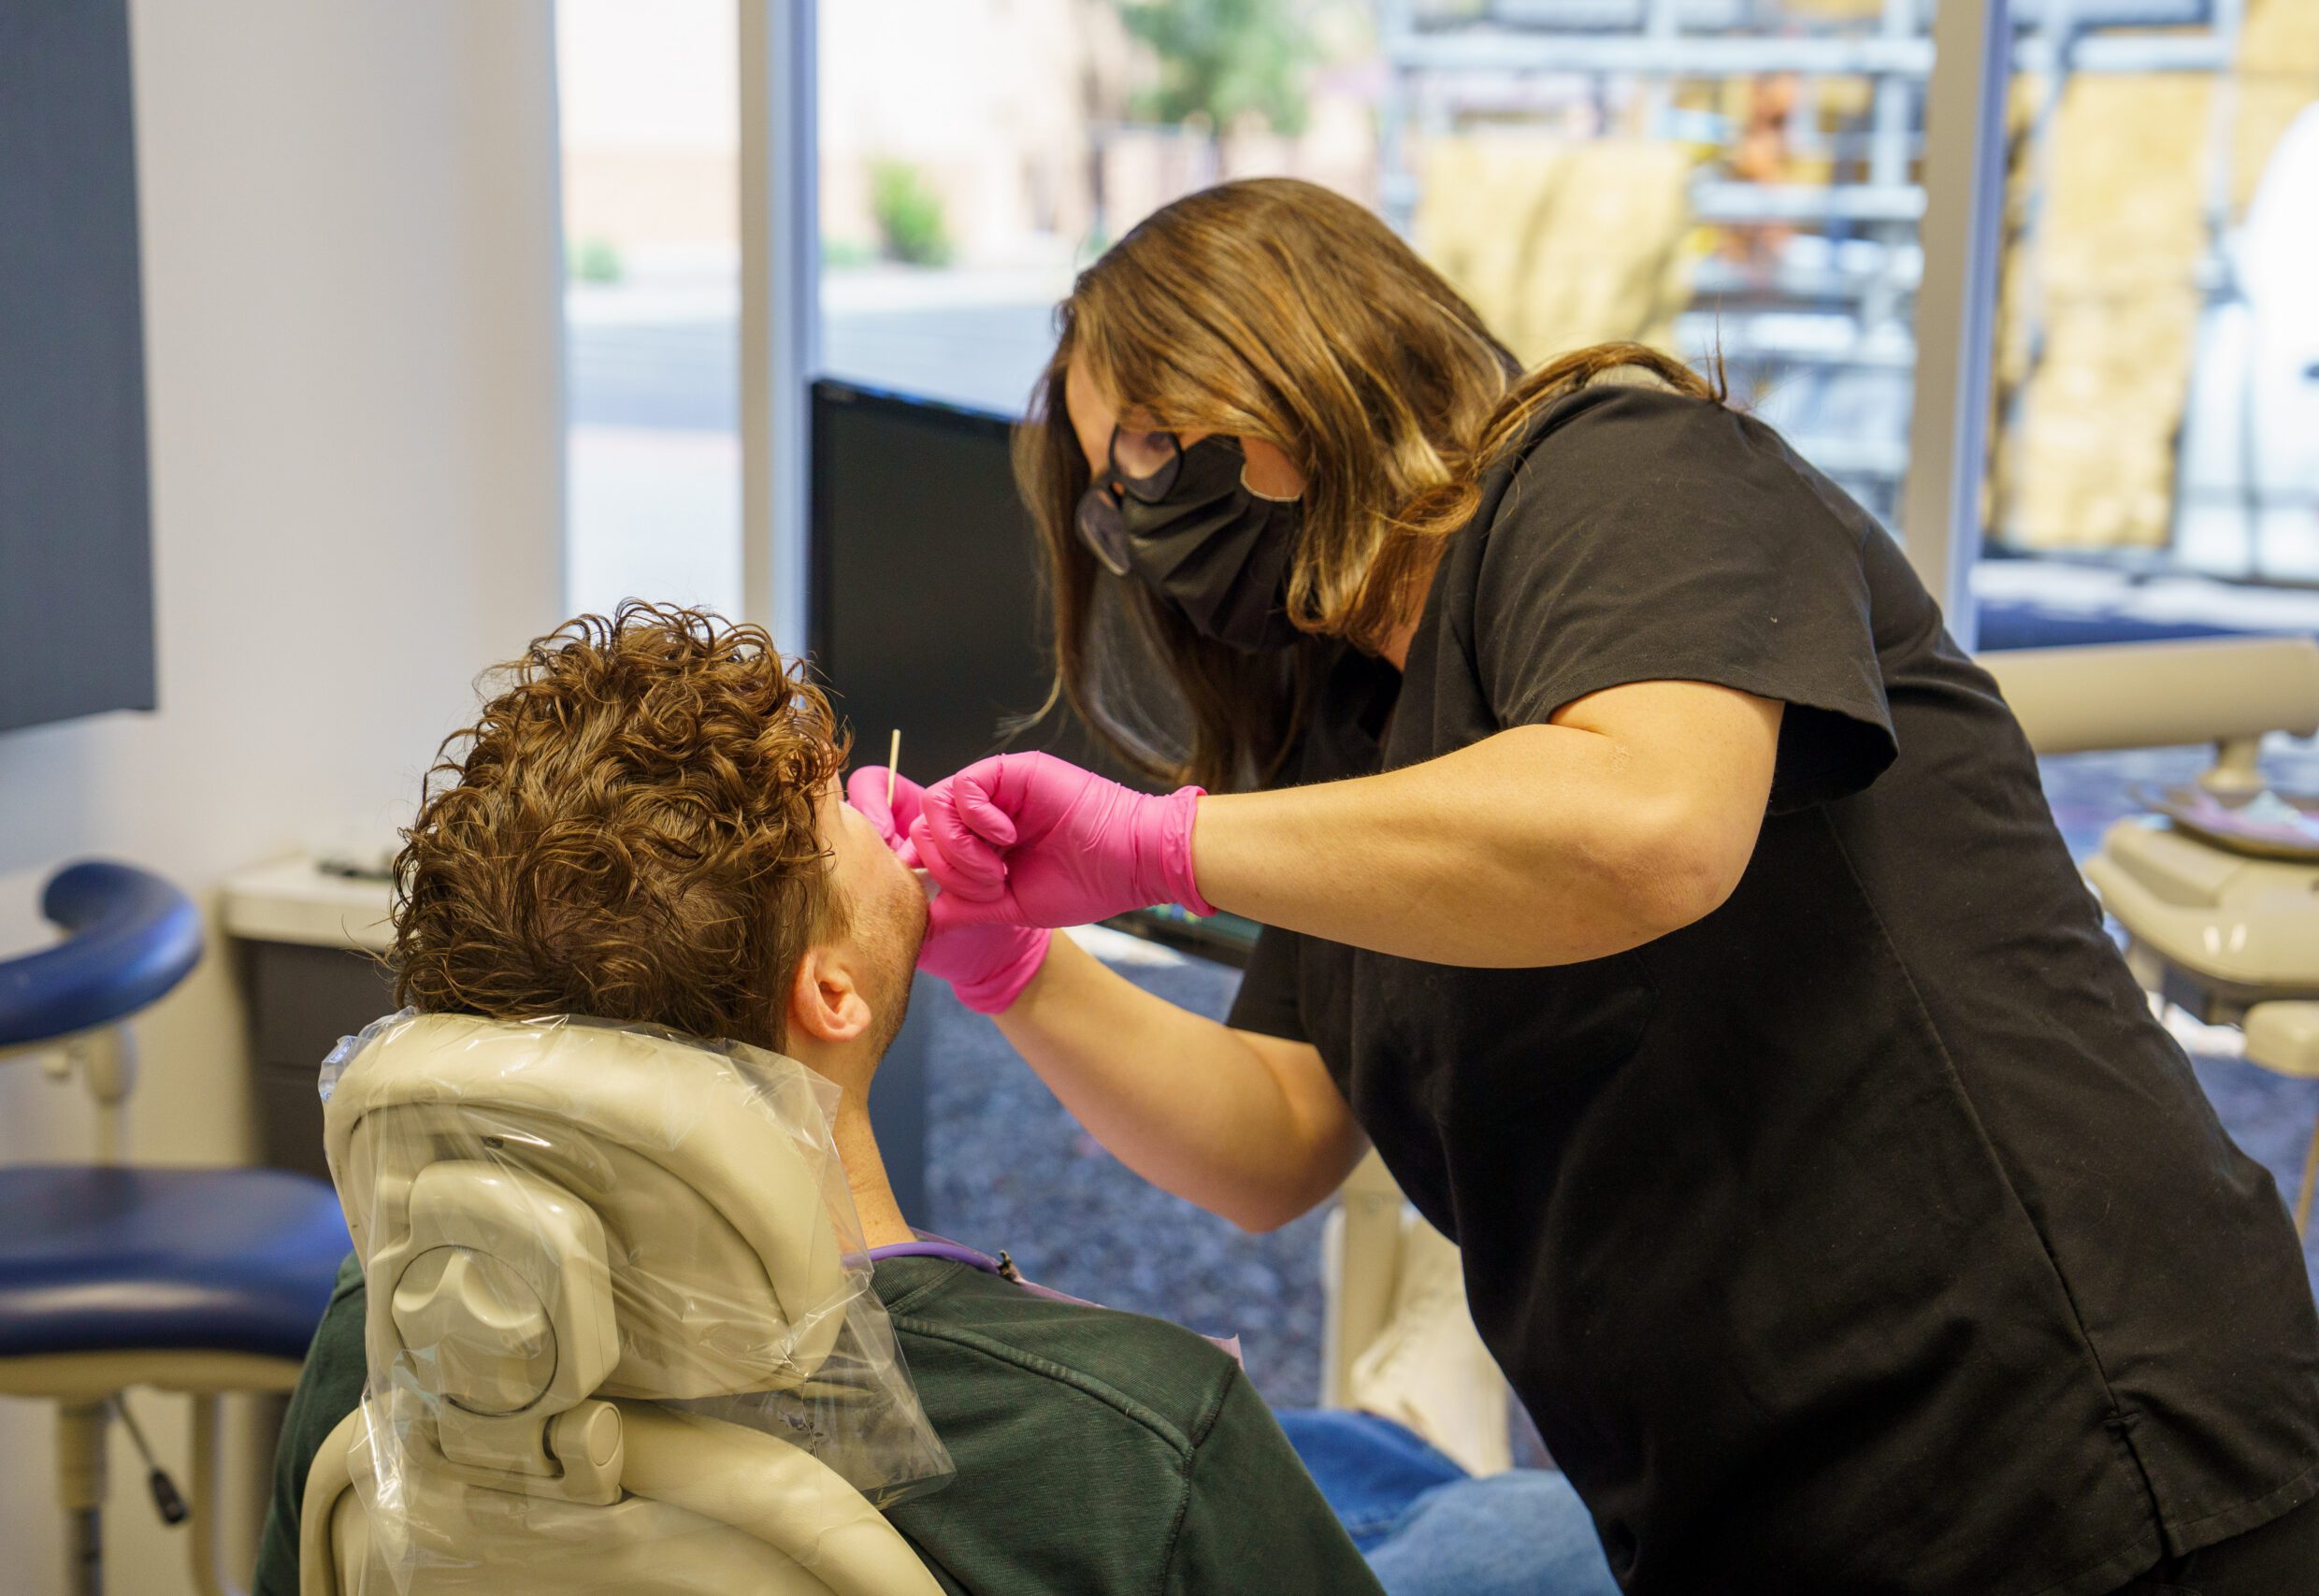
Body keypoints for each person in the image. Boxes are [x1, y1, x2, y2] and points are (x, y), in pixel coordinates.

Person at [878, 179, 2319, 1596]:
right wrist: (1011, 960)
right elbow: (1274, 1136)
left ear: (1294, 357)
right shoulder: (1350, 728)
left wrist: (1160, 843)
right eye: (1111, 500)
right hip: (1739, 1503)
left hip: (2058, 1448)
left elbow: (1649, 825)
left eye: (1144, 449)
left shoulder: (1623, 471)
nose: (1138, 526)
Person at [252, 603, 1618, 1596]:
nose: (868, 796)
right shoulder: (1123, 1435)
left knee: (1358, 1466)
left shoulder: (387, 1349)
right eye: (828, 806)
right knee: (1538, 1538)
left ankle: (1397, 1434)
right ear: (831, 996)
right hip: (1175, 1504)